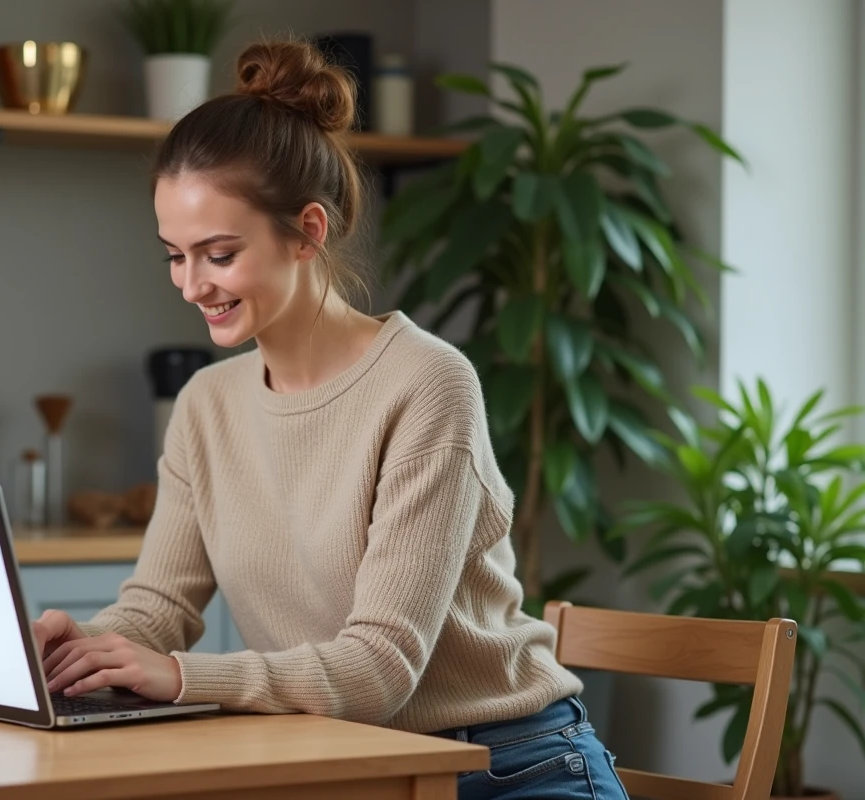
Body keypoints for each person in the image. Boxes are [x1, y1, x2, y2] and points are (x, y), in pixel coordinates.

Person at [31, 37, 629, 800]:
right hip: (352, 761)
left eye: (218, 253)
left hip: (508, 766)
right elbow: (161, 606)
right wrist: (84, 650)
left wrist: (179, 676)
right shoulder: (206, 407)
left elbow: (379, 667)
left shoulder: (427, 382)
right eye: (174, 256)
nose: (190, 285)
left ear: (308, 230)